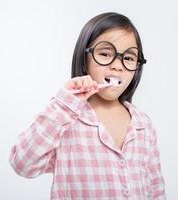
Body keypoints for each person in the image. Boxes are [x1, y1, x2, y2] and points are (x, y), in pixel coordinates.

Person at [9, 12, 166, 199]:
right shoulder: (65, 118)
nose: (118, 66)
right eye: (105, 54)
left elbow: (156, 190)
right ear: (85, 59)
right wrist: (64, 105)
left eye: (129, 58)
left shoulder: (143, 125)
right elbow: (23, 164)